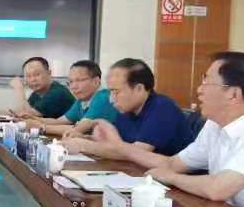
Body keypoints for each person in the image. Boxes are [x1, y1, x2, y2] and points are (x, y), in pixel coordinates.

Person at [90, 52, 244, 207]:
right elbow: (173, 163)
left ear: (233, 94)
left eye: (207, 82)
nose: (199, 89)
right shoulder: (215, 124)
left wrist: (171, 178)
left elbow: (218, 189)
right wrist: (119, 146)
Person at [61, 58, 193, 158]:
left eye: (116, 91)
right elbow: (118, 145)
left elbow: (135, 153)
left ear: (139, 88)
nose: (111, 99)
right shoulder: (126, 109)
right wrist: (84, 138)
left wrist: (83, 146)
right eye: (110, 91)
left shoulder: (162, 108)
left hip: (172, 183)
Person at [25, 60, 117, 137]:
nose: (73, 86)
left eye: (79, 80)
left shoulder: (103, 97)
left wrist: (41, 127)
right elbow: (59, 121)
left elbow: (78, 130)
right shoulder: (82, 100)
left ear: (96, 81)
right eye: (71, 82)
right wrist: (33, 119)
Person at [8, 57, 74, 119]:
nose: (33, 79)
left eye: (37, 74)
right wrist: (2, 112)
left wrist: (19, 89)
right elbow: (21, 112)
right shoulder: (37, 93)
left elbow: (26, 115)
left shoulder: (57, 92)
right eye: (28, 76)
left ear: (49, 73)